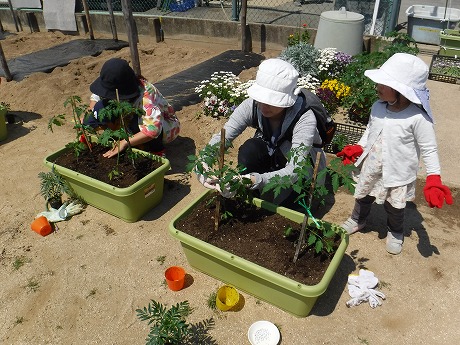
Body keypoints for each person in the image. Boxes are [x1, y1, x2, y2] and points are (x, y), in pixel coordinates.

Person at [337, 53, 453, 255]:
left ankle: (396, 231)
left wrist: (434, 178)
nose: (378, 87)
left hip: (398, 173)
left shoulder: (417, 118)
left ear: (402, 91)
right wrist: (359, 147)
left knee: (395, 207)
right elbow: (370, 132)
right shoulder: (378, 107)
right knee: (363, 195)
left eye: (384, 84)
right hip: (372, 165)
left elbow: (429, 148)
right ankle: (358, 219)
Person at [196, 58, 326, 205]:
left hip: (302, 169)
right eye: (261, 98)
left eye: (272, 101)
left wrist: (252, 180)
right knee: (250, 150)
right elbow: (223, 137)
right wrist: (202, 163)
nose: (264, 106)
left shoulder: (305, 118)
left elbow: (295, 170)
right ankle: (253, 194)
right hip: (273, 154)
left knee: (291, 212)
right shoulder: (251, 105)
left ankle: (268, 190)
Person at [83, 58, 180, 158]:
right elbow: (95, 97)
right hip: (130, 118)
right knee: (99, 108)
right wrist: (93, 113)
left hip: (165, 126)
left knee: (138, 123)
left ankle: (157, 150)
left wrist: (124, 143)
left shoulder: (145, 96)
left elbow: (153, 129)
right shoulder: (110, 85)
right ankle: (127, 139)